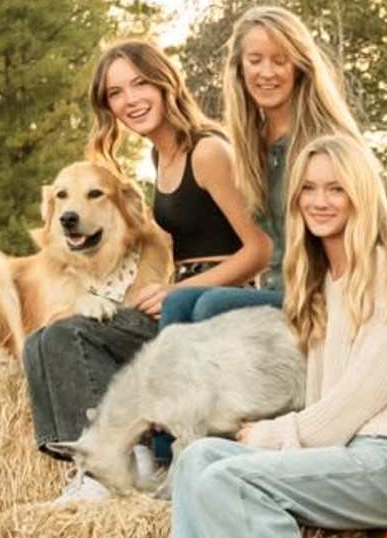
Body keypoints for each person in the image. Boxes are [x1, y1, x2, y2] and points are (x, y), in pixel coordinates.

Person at [167, 131, 387, 538]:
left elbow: (352, 405)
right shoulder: (320, 282)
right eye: (309, 189)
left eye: (337, 189)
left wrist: (273, 434)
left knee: (230, 480)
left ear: (361, 196)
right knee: (196, 459)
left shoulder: (385, 273)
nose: (319, 201)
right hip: (344, 454)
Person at [19, 37, 265, 496]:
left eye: (139, 84)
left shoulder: (207, 151)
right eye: (116, 93)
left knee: (71, 334)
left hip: (214, 312)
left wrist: (179, 291)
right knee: (42, 340)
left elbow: (260, 250)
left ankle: (128, 458)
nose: (130, 100)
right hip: (179, 305)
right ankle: (90, 464)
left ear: (165, 82)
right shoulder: (160, 155)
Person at [160, 6, 367, 330]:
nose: (266, 72)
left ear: (299, 67)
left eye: (279, 60)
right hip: (274, 294)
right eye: (255, 60)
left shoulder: (325, 144)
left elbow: (361, 238)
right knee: (178, 303)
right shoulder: (248, 146)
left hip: (321, 297)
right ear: (240, 70)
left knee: (212, 306)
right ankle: (168, 382)